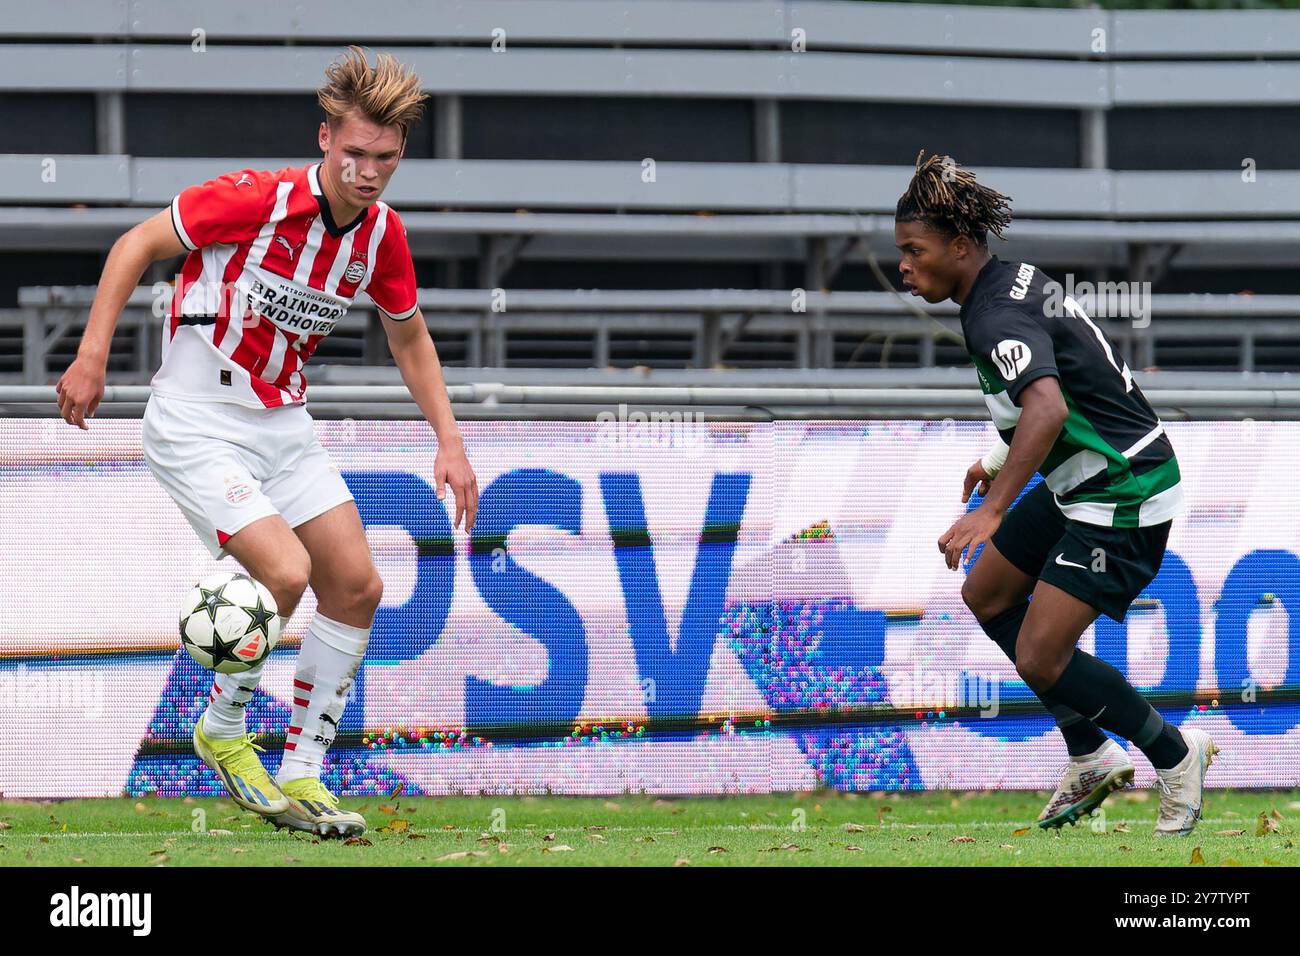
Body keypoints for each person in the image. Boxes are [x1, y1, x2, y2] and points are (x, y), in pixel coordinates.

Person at [54, 47, 477, 837]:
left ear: (399, 156)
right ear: (325, 139)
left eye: (384, 158)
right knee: (285, 571)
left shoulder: (382, 236)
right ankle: (220, 729)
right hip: (194, 415)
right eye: (354, 153)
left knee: (356, 586)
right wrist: (91, 354)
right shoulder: (254, 197)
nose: (367, 171)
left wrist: (449, 440)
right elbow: (134, 246)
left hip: (281, 421)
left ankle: (305, 771)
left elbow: (410, 336)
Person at [894, 151, 1216, 835]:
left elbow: (1045, 410)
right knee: (987, 595)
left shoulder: (990, 317)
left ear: (959, 247)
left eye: (914, 251)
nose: (903, 264)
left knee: (1043, 653)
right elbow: (1065, 386)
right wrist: (995, 457)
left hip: (1124, 489)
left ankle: (1176, 752)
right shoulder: (1010, 283)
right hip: (1087, 479)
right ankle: (1089, 753)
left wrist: (992, 508)